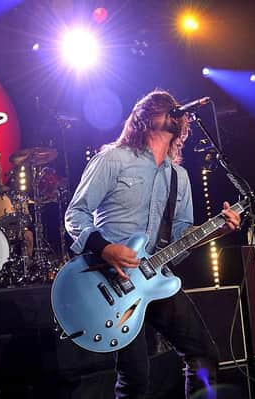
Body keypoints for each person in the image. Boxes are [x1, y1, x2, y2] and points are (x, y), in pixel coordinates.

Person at [64, 89, 242, 398]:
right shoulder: (113, 158)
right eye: (166, 108)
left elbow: (182, 238)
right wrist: (105, 248)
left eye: (177, 109)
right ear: (145, 117)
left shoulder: (179, 176)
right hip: (110, 278)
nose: (176, 111)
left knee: (204, 355)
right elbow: (75, 214)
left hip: (154, 278)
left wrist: (218, 231)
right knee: (135, 376)